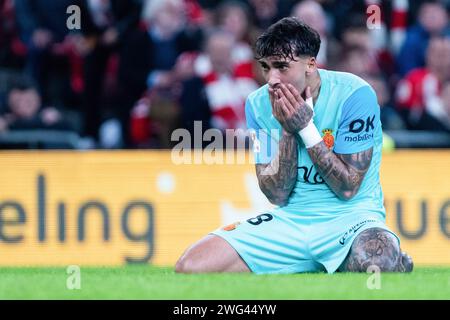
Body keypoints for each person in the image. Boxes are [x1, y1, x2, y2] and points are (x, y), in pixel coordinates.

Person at [175, 17, 413, 274]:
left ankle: (374, 259)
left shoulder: (355, 94)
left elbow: (348, 187)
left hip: (352, 218)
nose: (272, 79)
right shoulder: (257, 104)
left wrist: (306, 129)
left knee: (378, 261)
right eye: (266, 67)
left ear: (311, 63)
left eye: (281, 67)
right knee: (191, 266)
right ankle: (325, 264)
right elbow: (275, 194)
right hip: (292, 221)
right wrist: (289, 131)